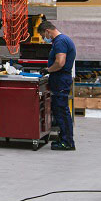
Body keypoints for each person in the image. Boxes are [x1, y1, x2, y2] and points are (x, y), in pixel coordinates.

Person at [38, 20, 76, 150]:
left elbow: (60, 63)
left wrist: (47, 70)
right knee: (60, 110)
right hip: (60, 78)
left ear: (48, 31)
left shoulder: (60, 42)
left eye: (44, 36)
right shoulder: (62, 40)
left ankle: (67, 142)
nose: (44, 39)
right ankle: (64, 138)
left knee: (61, 110)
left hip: (61, 79)